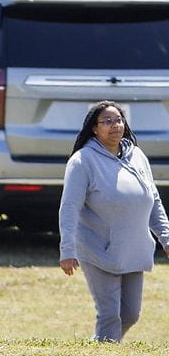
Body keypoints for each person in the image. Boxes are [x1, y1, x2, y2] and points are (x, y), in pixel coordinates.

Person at [58, 100, 169, 342]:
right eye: (107, 121)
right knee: (110, 315)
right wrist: (67, 249)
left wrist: (166, 237)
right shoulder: (82, 161)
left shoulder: (137, 155)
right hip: (98, 249)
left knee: (130, 314)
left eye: (118, 120)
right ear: (94, 128)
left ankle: (100, 345)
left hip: (133, 249)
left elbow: (152, 199)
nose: (115, 125)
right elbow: (69, 207)